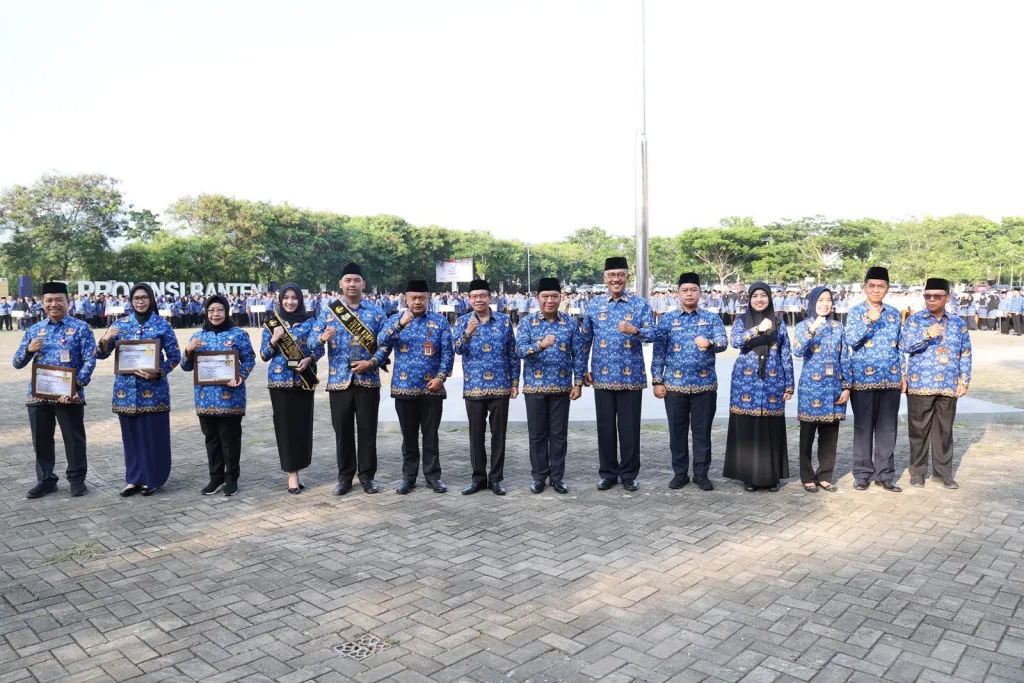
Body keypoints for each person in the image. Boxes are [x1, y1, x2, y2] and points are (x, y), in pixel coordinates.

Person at [12, 282, 97, 498]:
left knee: (73, 439)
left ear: (68, 302)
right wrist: (29, 350)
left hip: (69, 395)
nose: (54, 304)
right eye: (49, 300)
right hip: (38, 395)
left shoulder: (81, 328)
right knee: (41, 440)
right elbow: (17, 362)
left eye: (59, 299)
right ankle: (46, 480)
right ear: (42, 303)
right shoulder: (33, 330)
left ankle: (77, 480)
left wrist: (78, 385)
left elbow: (89, 359)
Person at [96, 283, 181, 496]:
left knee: (153, 435)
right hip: (126, 391)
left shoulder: (162, 325)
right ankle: (133, 479)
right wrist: (105, 340)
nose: (140, 301)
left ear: (151, 300)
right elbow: (100, 354)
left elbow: (175, 356)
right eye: (136, 298)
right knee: (131, 437)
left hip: (154, 391)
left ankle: (152, 478)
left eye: (144, 298)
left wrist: (159, 372)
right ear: (131, 301)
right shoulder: (121, 324)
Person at [311, 263, 388, 495]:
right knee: (342, 432)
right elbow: (312, 347)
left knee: (367, 431)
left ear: (363, 284)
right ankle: (345, 477)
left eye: (356, 280)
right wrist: (322, 338)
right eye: (348, 280)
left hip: (368, 380)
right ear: (341, 284)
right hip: (339, 382)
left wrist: (372, 362)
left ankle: (367, 476)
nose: (352, 284)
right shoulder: (328, 312)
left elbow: (385, 345)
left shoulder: (376, 312)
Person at [580, 256, 655, 491]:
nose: (615, 279)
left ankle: (629, 474)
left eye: (620, 275)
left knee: (629, 428)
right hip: (601, 376)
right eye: (611, 275)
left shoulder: (640, 304)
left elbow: (653, 334)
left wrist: (634, 330)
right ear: (604, 278)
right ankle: (608, 473)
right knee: (605, 427)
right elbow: (584, 340)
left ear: (627, 277)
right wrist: (582, 369)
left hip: (630, 377)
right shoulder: (593, 305)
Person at [651, 273, 728, 491]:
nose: (689, 293)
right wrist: (657, 381)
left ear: (700, 292)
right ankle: (680, 473)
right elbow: (659, 353)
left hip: (705, 386)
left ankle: (701, 474)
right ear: (678, 293)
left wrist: (710, 342)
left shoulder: (711, 318)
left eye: (693, 290)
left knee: (702, 432)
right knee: (677, 432)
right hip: (674, 387)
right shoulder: (667, 320)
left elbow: (723, 342)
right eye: (684, 290)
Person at [377, 279, 454, 495]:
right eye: (413, 298)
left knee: (431, 435)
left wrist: (440, 378)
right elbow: (380, 341)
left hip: (432, 389)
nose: (417, 301)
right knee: (409, 437)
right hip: (404, 388)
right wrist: (401, 323)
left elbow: (447, 353)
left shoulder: (440, 322)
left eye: (422, 297)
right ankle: (408, 478)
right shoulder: (395, 320)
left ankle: (433, 477)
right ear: (406, 299)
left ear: (429, 298)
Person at [179, 295, 256, 496]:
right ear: (206, 312)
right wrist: (188, 350)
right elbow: (186, 367)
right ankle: (215, 477)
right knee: (211, 439)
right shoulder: (197, 336)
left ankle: (232, 479)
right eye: (211, 310)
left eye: (220, 310)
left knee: (230, 439)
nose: (215, 314)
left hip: (231, 396)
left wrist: (241, 375)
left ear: (226, 312)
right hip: (205, 398)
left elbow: (249, 359)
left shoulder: (238, 334)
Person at [723, 282, 794, 492]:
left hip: (772, 382)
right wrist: (757, 330)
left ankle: (772, 477)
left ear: (770, 298)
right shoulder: (742, 321)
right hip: (746, 383)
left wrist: (789, 385)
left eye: (764, 295)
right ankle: (748, 475)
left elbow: (786, 355)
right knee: (748, 427)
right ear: (749, 299)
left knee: (770, 428)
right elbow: (735, 342)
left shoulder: (779, 324)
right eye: (755, 296)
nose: (760, 299)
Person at [900, 278, 971, 489]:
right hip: (920, 383)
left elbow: (965, 353)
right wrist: (926, 334)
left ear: (947, 298)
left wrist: (965, 380)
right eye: (927, 296)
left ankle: (942, 473)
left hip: (948, 385)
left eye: (937, 296)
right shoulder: (915, 320)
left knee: (944, 432)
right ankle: (918, 472)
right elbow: (904, 345)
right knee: (918, 431)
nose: (931, 300)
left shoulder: (958, 323)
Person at [516, 278, 585, 494]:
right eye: (545, 296)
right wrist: (540, 345)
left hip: (562, 388)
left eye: (554, 296)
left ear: (560, 298)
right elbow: (519, 351)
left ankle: (557, 477)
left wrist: (578, 382)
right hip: (534, 388)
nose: (549, 301)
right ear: (537, 298)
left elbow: (579, 354)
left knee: (558, 435)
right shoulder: (527, 322)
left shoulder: (570, 323)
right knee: (537, 435)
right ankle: (539, 477)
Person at [453, 279, 520, 496]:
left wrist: (514, 382)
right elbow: (457, 349)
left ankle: (496, 479)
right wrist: (468, 332)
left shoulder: (503, 321)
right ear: (469, 299)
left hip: (500, 386)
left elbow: (512, 352)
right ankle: (478, 478)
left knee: (498, 434)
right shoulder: (463, 321)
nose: (478, 300)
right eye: (474, 296)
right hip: (474, 387)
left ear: (490, 298)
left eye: (483, 295)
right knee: (476, 435)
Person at [845, 266, 905, 493]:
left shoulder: (893, 313)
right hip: (862, 380)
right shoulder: (855, 312)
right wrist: (868, 321)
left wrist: (903, 374)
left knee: (888, 430)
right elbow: (851, 340)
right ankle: (862, 474)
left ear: (887, 289)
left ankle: (885, 475)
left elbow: (899, 347)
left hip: (890, 380)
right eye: (872, 286)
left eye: (881, 286)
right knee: (863, 429)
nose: (876, 290)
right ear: (865, 287)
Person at [261, 283, 322, 494]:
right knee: (285, 428)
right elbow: (263, 355)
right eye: (286, 297)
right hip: (280, 383)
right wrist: (274, 339)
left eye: (294, 297)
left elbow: (318, 348)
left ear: (300, 300)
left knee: (302, 427)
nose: (290, 301)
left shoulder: (310, 322)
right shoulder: (271, 323)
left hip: (303, 381)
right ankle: (291, 474)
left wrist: (310, 358)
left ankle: (300, 467)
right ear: (279, 299)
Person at [791, 287, 850, 493]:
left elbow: (845, 358)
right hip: (811, 387)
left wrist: (847, 387)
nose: (825, 304)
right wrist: (813, 329)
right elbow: (797, 350)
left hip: (833, 387)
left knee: (830, 435)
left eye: (828, 300)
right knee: (807, 435)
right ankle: (807, 476)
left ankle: (825, 475)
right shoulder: (803, 326)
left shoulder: (838, 327)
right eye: (821, 300)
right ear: (813, 302)